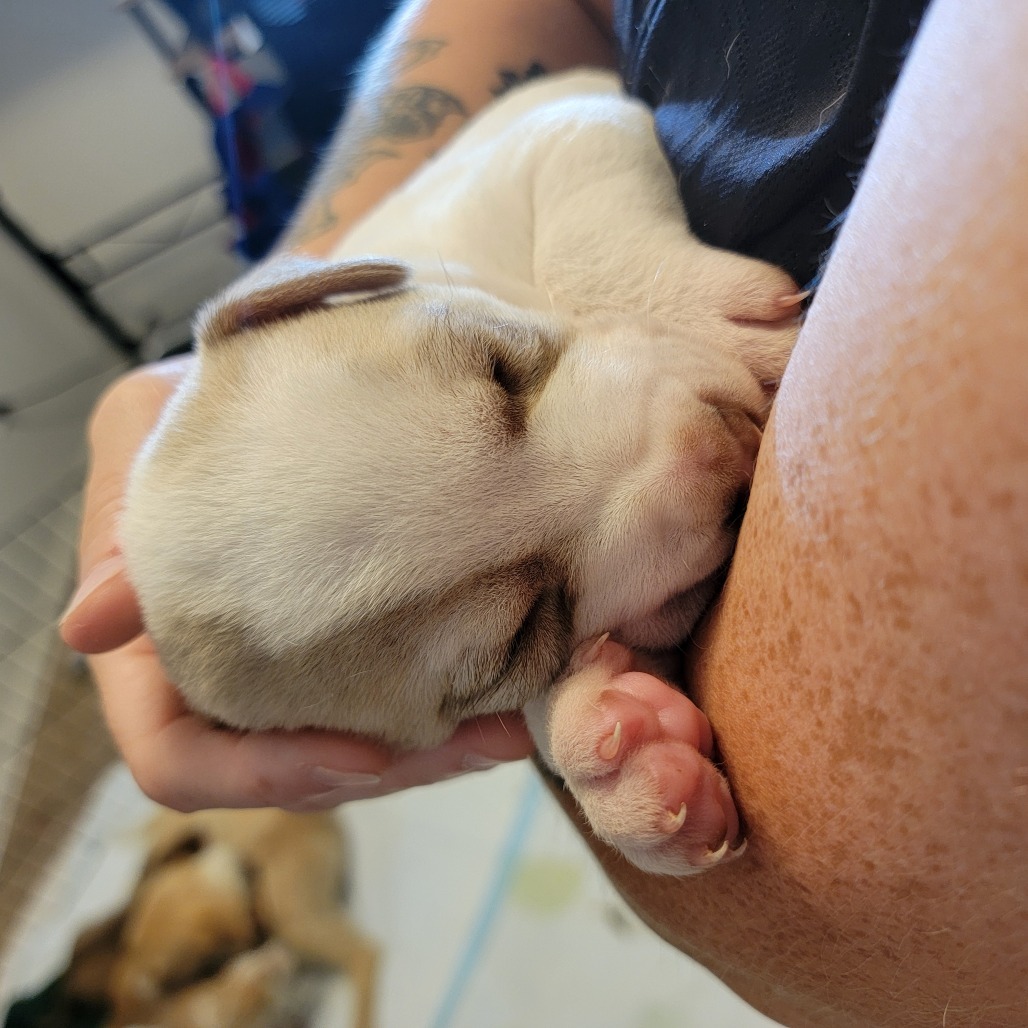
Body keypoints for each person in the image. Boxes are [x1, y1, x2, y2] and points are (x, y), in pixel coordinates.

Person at [60, 0, 1028, 1024]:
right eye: (521, 631)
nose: (675, 469)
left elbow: (565, 123)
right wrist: (591, 710)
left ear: (323, 293)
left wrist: (623, 278)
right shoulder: (386, 336)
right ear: (418, 741)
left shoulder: (434, 242)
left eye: (503, 374)